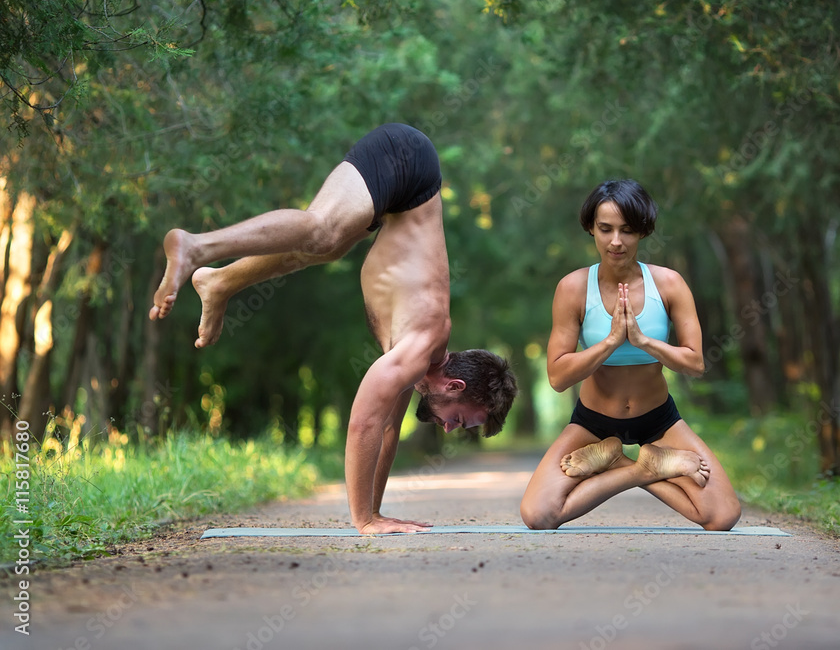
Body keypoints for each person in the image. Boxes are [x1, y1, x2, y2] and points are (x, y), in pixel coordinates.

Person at [148, 123, 518, 534]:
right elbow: (364, 424)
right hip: (409, 159)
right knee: (322, 231)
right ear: (455, 387)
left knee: (329, 246)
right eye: (461, 421)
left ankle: (221, 282)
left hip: (406, 185)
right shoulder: (421, 344)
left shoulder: (416, 366)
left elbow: (389, 431)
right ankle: (197, 247)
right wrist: (364, 521)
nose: (449, 429)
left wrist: (377, 513)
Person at [520, 179, 741, 531]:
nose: (616, 241)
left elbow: (695, 363)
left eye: (627, 230)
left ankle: (631, 462)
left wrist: (643, 341)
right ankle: (639, 465)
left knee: (722, 515)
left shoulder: (669, 284)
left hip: (658, 420)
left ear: (643, 232)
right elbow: (558, 377)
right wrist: (608, 343)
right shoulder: (574, 288)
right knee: (539, 515)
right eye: (605, 229)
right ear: (590, 228)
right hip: (592, 423)